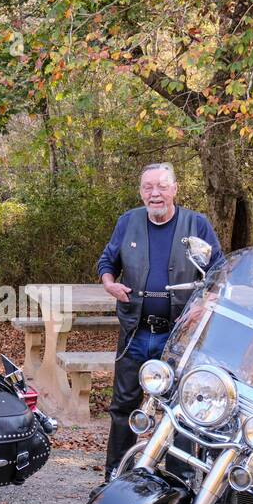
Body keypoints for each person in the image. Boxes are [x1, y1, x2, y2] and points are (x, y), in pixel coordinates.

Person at [97, 163, 222, 478]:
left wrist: (205, 304)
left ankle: (178, 479)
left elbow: (219, 271)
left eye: (161, 186)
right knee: (123, 406)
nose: (154, 194)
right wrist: (109, 282)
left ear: (175, 189)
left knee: (178, 410)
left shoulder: (197, 224)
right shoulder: (128, 222)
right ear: (141, 192)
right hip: (135, 332)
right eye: (147, 187)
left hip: (178, 336)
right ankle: (117, 471)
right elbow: (106, 261)